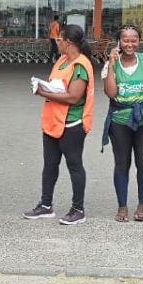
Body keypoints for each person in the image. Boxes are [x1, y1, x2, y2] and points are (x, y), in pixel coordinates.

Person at [24, 23, 94, 225]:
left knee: (74, 165)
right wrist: (45, 87)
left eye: (59, 39)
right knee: (50, 164)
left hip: (72, 123)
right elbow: (58, 86)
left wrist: (42, 92)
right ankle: (46, 205)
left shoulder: (80, 65)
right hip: (53, 121)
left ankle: (78, 209)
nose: (57, 42)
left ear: (68, 42)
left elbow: (73, 97)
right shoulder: (62, 60)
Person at [101, 24, 143, 222]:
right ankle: (122, 206)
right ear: (119, 42)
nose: (129, 44)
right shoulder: (111, 64)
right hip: (120, 120)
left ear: (139, 41)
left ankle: (142, 204)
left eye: (133, 40)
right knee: (122, 163)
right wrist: (111, 64)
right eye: (125, 40)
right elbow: (111, 93)